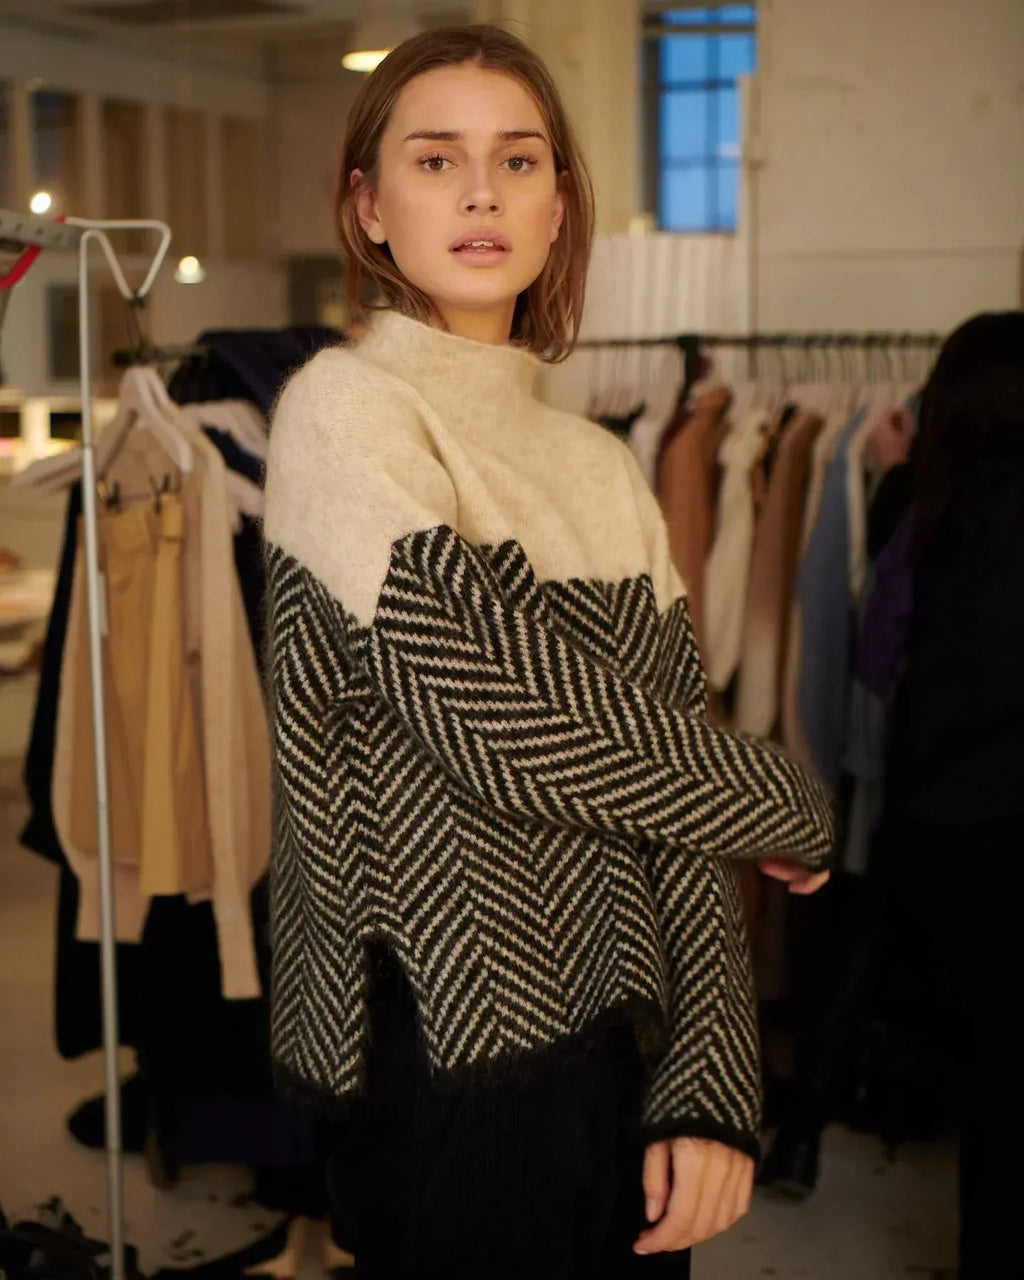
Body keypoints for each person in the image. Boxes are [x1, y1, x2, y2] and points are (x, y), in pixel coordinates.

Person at [262, 24, 833, 1279]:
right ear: (368, 207)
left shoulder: (601, 465)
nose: (480, 193)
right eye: (434, 159)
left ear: (560, 202)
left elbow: (662, 783)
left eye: (518, 161)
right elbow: (505, 714)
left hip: (620, 1036)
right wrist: (777, 795)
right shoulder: (344, 413)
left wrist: (710, 1075)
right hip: (444, 1046)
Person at [877, 312, 1024, 1280]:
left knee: (992, 1079)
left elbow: (872, 658)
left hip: (936, 831)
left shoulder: (911, 495)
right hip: (1009, 825)